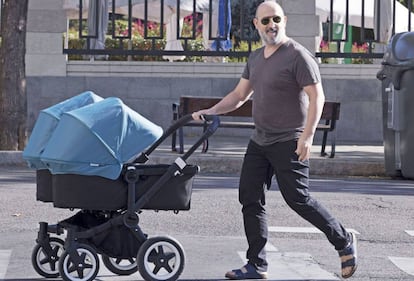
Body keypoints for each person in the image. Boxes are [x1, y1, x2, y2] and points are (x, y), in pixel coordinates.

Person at [192, 1, 357, 280]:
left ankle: (343, 240)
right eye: (266, 20)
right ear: (256, 24)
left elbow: (318, 97)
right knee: (250, 198)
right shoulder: (256, 58)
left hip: (289, 139)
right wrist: (211, 111)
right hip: (260, 140)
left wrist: (307, 137)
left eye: (276, 19)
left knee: (298, 199)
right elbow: (239, 95)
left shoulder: (297, 56)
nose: (272, 25)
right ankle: (256, 265)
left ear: (285, 20)